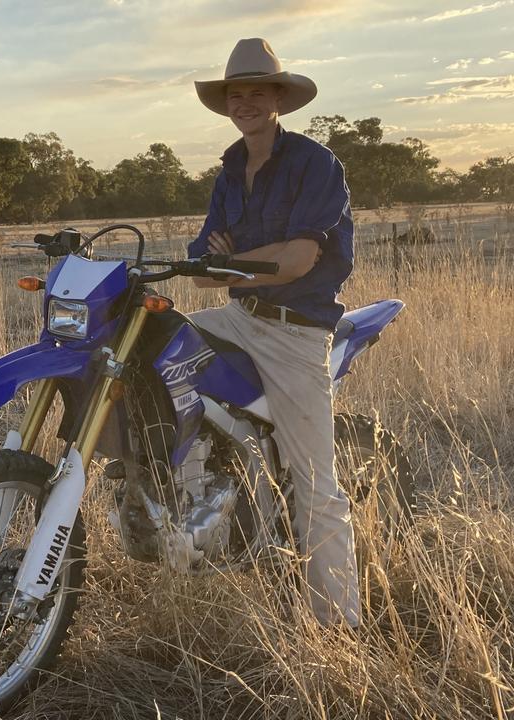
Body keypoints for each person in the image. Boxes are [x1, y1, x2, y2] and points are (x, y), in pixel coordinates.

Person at [186, 39, 360, 627]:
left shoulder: (316, 164)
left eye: (258, 90)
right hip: (239, 316)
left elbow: (297, 262)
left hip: (294, 329)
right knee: (155, 345)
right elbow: (203, 267)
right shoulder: (230, 169)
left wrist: (237, 260)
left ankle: (341, 627)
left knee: (316, 484)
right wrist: (240, 262)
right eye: (236, 92)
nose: (246, 101)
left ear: (280, 97)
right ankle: (190, 489)